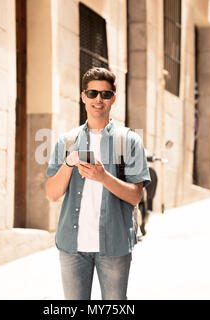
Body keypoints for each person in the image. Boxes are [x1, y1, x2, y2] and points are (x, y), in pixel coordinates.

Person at [45, 67, 150, 300]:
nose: (98, 100)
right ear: (83, 97)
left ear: (113, 98)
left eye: (104, 94)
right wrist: (69, 163)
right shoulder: (67, 141)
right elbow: (52, 194)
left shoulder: (129, 141)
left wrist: (103, 177)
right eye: (92, 94)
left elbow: (135, 197)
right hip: (72, 247)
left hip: (114, 246)